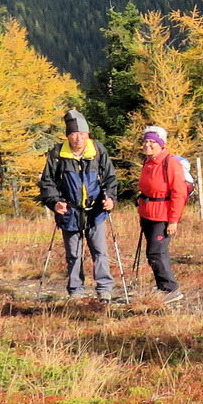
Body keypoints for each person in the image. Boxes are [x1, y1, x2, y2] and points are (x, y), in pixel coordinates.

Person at [38, 109, 119, 300]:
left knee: (99, 251)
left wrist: (111, 199)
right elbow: (47, 182)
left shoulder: (98, 151)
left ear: (88, 135)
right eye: (74, 134)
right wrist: (54, 202)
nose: (78, 138)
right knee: (73, 253)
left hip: (96, 211)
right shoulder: (58, 154)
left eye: (82, 134)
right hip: (69, 211)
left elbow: (110, 178)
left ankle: (104, 289)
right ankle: (76, 291)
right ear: (67, 136)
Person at [135, 126, 189, 302]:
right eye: (145, 141)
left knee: (155, 253)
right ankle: (164, 289)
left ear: (160, 144)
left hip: (163, 216)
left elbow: (179, 193)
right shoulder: (148, 161)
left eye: (152, 142)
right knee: (157, 253)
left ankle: (171, 289)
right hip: (148, 214)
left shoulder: (170, 162)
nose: (148, 145)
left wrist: (173, 220)